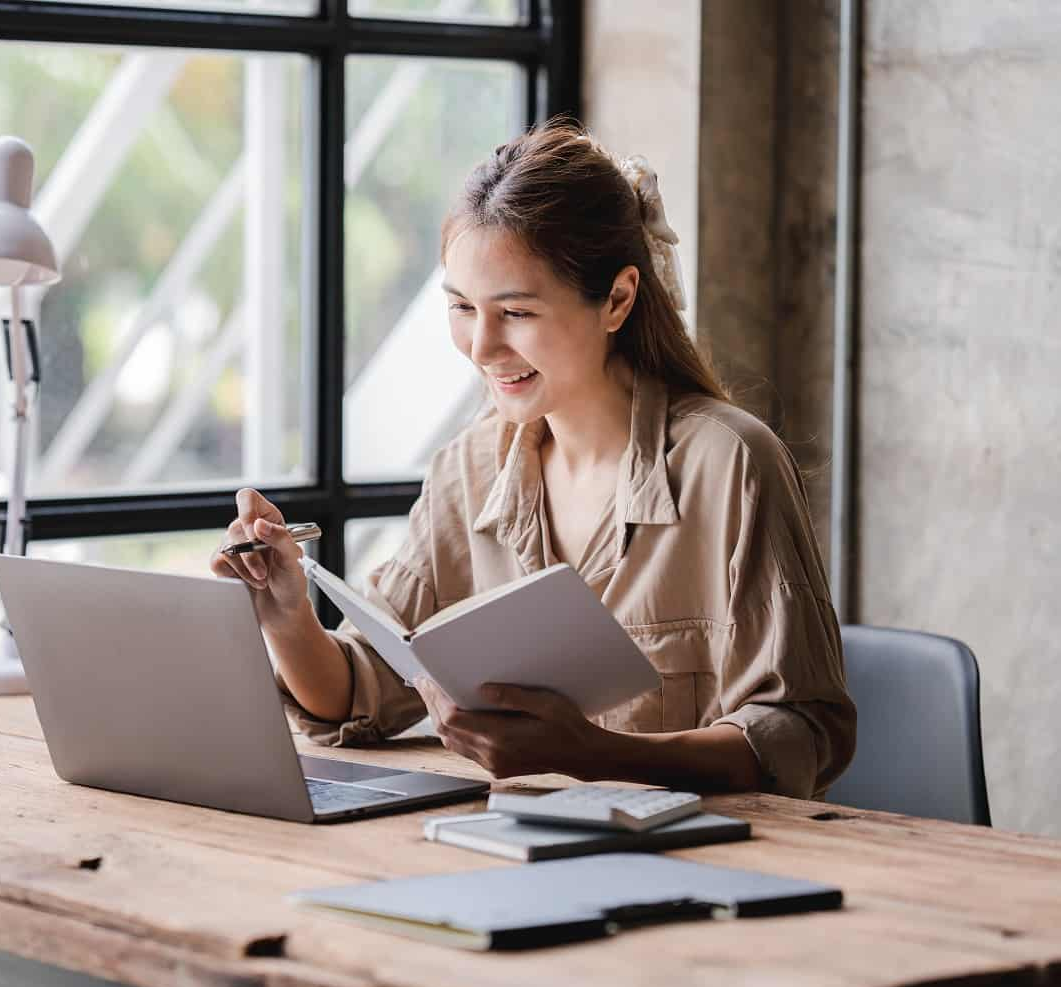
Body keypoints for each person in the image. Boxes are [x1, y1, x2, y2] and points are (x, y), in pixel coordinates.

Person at [209, 120, 856, 799]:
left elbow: (802, 731)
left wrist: (595, 754)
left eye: (515, 312)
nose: (481, 347)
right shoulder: (467, 470)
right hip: (507, 849)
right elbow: (362, 688)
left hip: (709, 867)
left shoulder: (731, 464)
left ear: (618, 299)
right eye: (462, 307)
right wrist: (284, 614)